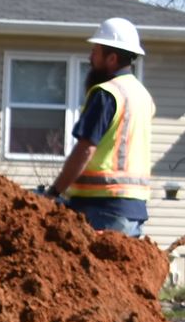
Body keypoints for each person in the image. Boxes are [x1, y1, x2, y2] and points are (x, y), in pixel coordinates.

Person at [44, 17, 157, 237]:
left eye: (95, 52)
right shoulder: (143, 96)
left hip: (102, 207)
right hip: (133, 208)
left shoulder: (107, 93)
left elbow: (86, 149)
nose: (90, 57)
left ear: (112, 58)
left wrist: (54, 191)